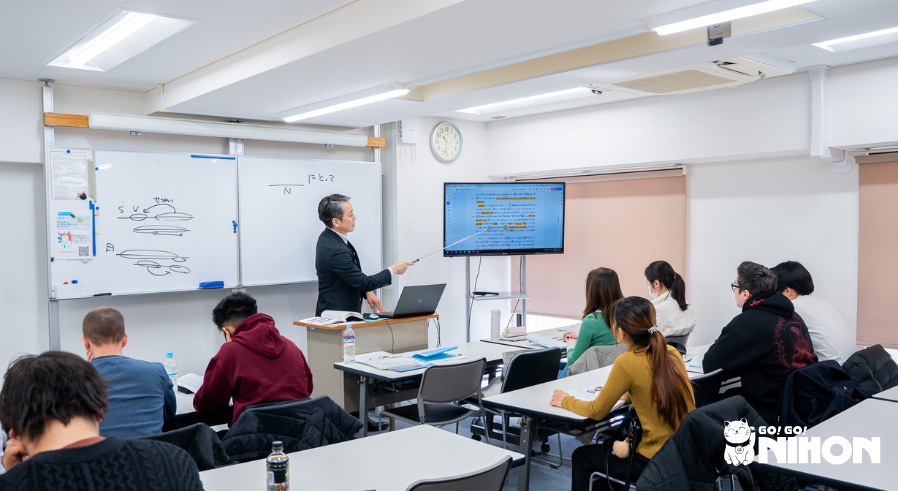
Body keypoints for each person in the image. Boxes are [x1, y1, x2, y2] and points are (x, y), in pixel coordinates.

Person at [0, 351, 203, 491]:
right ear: (100, 410)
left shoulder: (13, 485)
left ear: (14, 432)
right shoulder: (174, 461)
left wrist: (16, 476)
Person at [551, 297, 695, 491]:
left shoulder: (627, 362)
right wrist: (633, 393)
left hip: (652, 459)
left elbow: (596, 410)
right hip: (684, 453)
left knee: (582, 457)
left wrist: (566, 400)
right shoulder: (672, 353)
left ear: (620, 331)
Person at [703, 261, 817, 424]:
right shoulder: (794, 317)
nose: (734, 291)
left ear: (745, 294)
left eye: (734, 287)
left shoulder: (748, 322)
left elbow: (710, 364)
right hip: (800, 406)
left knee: (703, 403)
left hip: (769, 413)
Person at [194, 292, 314, 424]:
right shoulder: (291, 347)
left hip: (253, 438)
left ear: (227, 331)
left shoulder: (230, 352)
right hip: (302, 434)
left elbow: (206, 405)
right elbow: (308, 388)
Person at [81, 307, 176, 438]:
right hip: (151, 456)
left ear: (86, 342)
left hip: (102, 457)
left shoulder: (74, 381)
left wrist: (85, 369)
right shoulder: (156, 371)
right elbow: (170, 414)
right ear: (125, 339)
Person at [315, 194, 414, 315]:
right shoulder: (334, 249)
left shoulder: (330, 238)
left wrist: (367, 292)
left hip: (343, 316)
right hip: (335, 319)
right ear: (336, 222)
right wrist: (393, 270)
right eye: (350, 215)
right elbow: (364, 282)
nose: (355, 217)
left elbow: (350, 276)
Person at [772, 261, 855, 364]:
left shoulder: (794, 306)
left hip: (833, 371)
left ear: (788, 291)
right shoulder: (821, 302)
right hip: (850, 366)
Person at [561, 268, 624, 372]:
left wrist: (571, 345)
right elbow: (606, 339)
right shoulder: (626, 315)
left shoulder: (591, 321)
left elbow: (572, 362)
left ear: (592, 292)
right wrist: (580, 337)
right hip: (611, 375)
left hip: (587, 377)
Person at [644, 261, 695, 339]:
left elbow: (647, 338)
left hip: (660, 351)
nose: (648, 287)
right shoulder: (684, 304)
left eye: (648, 284)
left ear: (656, 284)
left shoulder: (659, 310)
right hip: (676, 351)